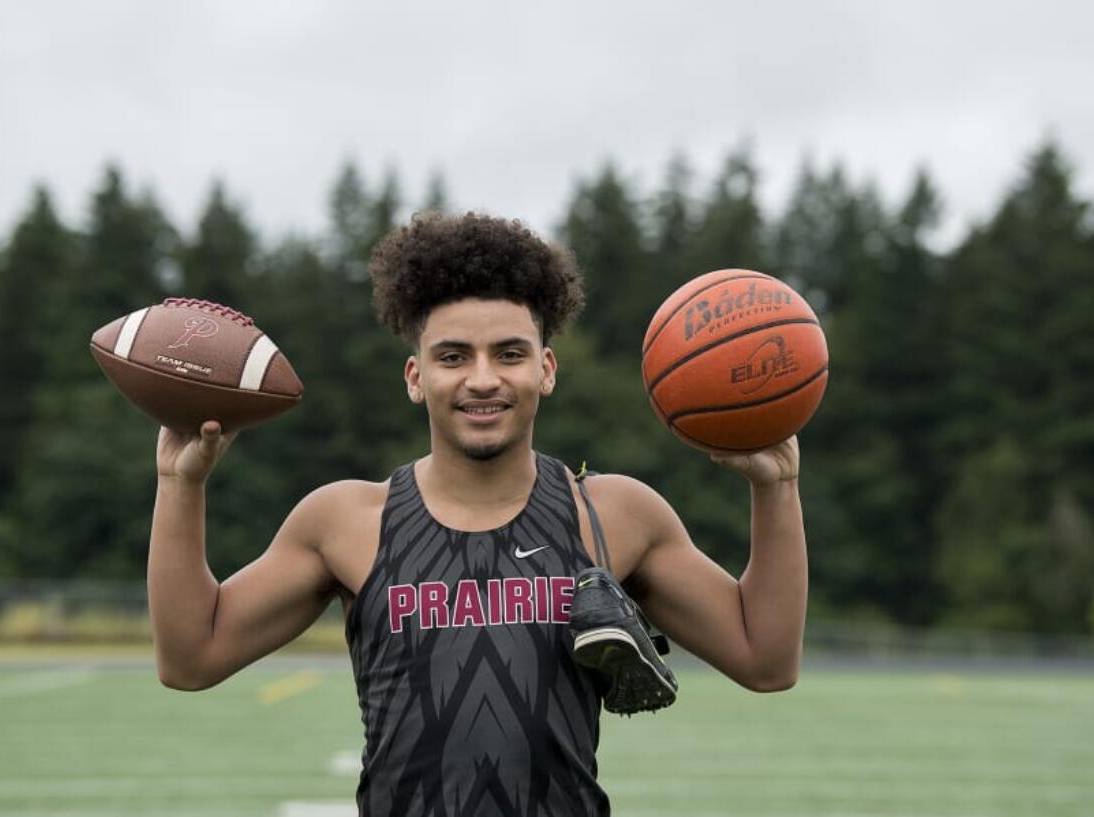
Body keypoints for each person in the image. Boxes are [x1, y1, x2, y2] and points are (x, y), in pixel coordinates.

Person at [149, 212, 808, 817]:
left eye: (510, 353)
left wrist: (776, 487)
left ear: (546, 369)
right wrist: (180, 484)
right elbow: (191, 657)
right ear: (415, 377)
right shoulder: (345, 521)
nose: (483, 378)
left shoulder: (615, 513)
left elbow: (765, 658)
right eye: (453, 355)